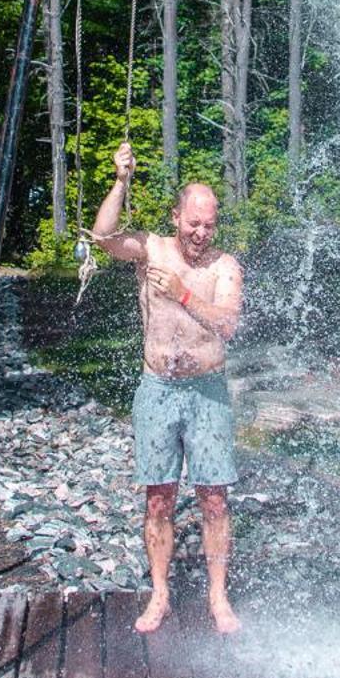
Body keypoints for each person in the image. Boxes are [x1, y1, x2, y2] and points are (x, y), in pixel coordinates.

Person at [92, 143, 244, 635]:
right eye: (193, 222)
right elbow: (104, 237)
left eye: (208, 224)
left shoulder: (225, 267)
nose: (200, 233)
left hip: (207, 392)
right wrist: (120, 180)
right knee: (159, 498)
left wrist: (181, 291)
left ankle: (219, 598)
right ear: (177, 216)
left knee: (214, 498)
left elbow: (227, 325)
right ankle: (160, 595)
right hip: (157, 389)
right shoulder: (152, 248)